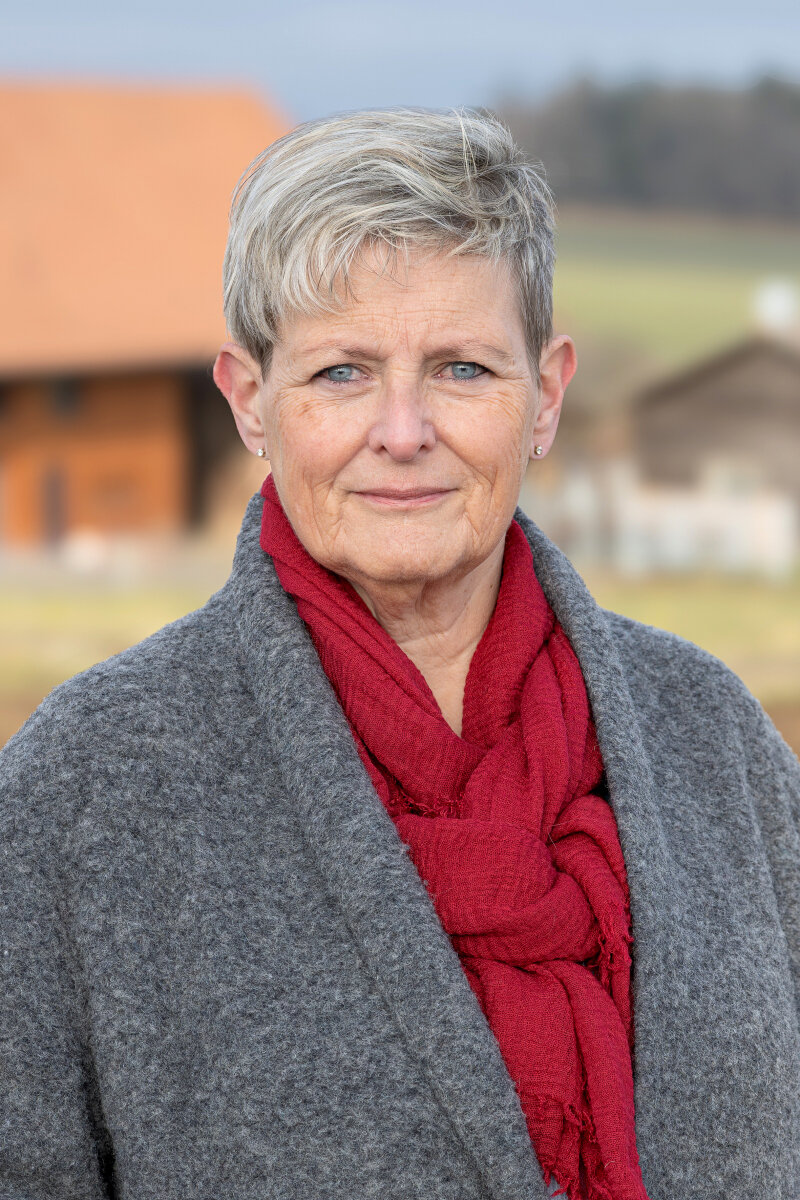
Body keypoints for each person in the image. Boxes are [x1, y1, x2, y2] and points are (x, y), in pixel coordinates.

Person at [0, 107, 798, 1200]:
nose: (405, 431)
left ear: (546, 397)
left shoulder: (709, 735)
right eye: (341, 373)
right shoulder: (87, 787)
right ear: (250, 402)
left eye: (463, 369)